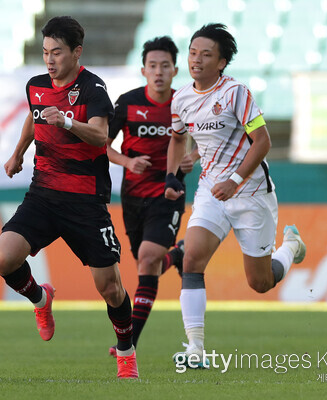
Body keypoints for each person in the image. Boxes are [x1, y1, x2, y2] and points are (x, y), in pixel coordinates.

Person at [0, 16, 138, 379]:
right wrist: (18, 153)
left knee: (110, 287)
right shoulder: (36, 85)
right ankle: (41, 299)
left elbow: (102, 138)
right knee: (4, 258)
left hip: (85, 201)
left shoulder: (93, 89)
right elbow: (34, 115)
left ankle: (126, 351)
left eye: (57, 52)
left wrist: (69, 123)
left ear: (77, 52)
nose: (49, 59)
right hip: (43, 193)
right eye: (45, 52)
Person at [164, 23, 307, 367]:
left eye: (206, 55)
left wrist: (235, 180)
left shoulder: (236, 93)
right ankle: (196, 349)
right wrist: (172, 176)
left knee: (259, 283)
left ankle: (291, 248)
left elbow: (263, 142)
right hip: (212, 191)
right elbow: (178, 137)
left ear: (222, 62)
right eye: (193, 53)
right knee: (192, 258)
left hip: (251, 193)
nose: (196, 60)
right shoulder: (181, 98)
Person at [106, 36, 199, 356]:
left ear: (175, 70)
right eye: (152, 66)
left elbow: (208, 136)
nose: (158, 72)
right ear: (143, 70)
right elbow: (101, 145)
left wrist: (194, 156)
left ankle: (128, 343)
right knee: (150, 266)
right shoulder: (128, 102)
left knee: (147, 259)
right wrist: (127, 160)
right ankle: (177, 255)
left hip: (169, 193)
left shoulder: (186, 102)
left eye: (165, 66)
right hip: (132, 198)